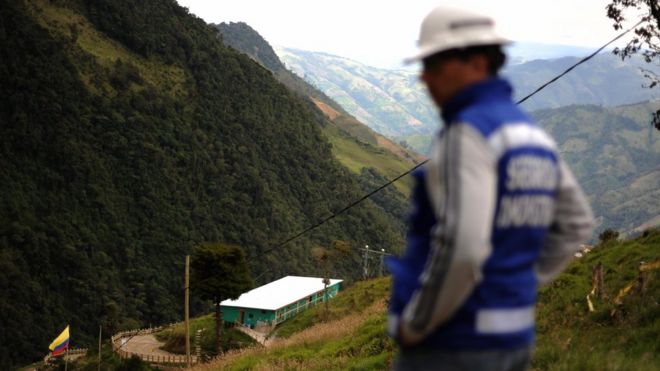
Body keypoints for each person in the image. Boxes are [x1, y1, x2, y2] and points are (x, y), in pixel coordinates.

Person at [386, 5, 595, 371]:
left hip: (451, 343)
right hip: (512, 339)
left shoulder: (467, 134)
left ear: (478, 62)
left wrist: (415, 324)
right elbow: (576, 223)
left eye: (435, 65)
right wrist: (514, 285)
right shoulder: (529, 133)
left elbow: (463, 247)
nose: (425, 78)